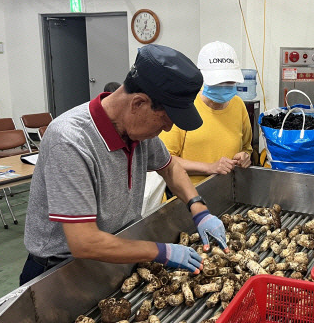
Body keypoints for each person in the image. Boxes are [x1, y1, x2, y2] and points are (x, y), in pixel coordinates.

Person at [20, 44, 229, 285]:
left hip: (115, 256)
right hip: (60, 273)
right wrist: (162, 252)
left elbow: (169, 167)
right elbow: (84, 242)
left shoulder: (138, 133)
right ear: (138, 103)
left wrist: (199, 210)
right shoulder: (70, 140)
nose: (168, 128)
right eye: (165, 120)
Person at [160, 41, 252, 186]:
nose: (224, 86)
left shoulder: (238, 105)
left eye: (229, 81)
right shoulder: (184, 106)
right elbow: (164, 159)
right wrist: (209, 168)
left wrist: (245, 156)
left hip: (228, 193)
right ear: (202, 77)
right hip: (189, 195)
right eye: (218, 82)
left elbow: (247, 147)